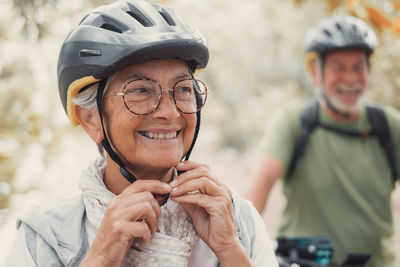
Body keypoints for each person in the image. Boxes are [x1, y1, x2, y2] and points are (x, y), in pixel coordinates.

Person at [7, 1, 278, 266]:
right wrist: (101, 257)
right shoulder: (43, 240)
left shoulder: (239, 222)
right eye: (140, 90)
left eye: (183, 89)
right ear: (90, 119)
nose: (169, 113)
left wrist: (230, 250)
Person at [246, 15, 400, 267]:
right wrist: (236, 245)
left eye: (358, 67)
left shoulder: (388, 126)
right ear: (316, 73)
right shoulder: (295, 122)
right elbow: (260, 184)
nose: (350, 79)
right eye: (339, 67)